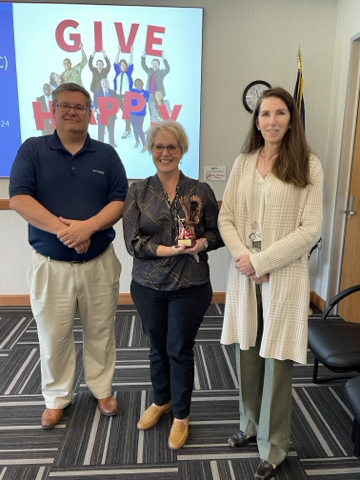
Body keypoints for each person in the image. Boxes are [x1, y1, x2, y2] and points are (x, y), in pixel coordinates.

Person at [9, 82, 128, 430]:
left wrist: (88, 228)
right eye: (66, 106)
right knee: (54, 334)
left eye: (80, 107)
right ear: (54, 109)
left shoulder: (106, 154)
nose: (73, 112)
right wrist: (68, 232)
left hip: (99, 264)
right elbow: (19, 198)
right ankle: (57, 397)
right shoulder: (32, 150)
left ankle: (102, 389)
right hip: (51, 267)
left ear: (91, 114)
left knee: (101, 331)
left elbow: (119, 200)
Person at [218, 87, 323, 480]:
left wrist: (263, 260)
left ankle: (274, 444)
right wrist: (246, 260)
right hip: (245, 274)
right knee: (247, 349)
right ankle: (248, 424)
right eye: (265, 114)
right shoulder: (243, 162)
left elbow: (310, 228)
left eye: (280, 113)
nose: (272, 120)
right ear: (256, 120)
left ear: (291, 119)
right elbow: (226, 217)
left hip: (285, 276)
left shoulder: (308, 165)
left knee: (276, 359)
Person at [123, 120, 224, 450]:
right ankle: (161, 400)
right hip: (148, 285)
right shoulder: (137, 191)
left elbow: (216, 234)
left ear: (182, 150)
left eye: (172, 147)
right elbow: (133, 243)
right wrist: (168, 249)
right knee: (156, 348)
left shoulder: (200, 190)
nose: (165, 152)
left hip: (190, 285)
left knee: (178, 350)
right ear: (150, 149)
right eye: (159, 146)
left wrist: (200, 245)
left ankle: (181, 415)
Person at [113, 45, 134, 139]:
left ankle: (127, 130)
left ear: (126, 66)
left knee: (126, 113)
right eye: (121, 65)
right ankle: (128, 128)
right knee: (116, 112)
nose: (122, 66)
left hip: (125, 96)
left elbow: (131, 62)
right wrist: (118, 51)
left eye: (124, 65)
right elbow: (115, 62)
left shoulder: (128, 72)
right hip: (117, 95)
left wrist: (131, 51)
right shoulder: (117, 72)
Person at [93, 77, 120, 147]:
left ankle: (112, 142)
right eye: (103, 83)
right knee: (101, 130)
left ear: (108, 84)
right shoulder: (97, 93)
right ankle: (100, 145)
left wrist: (118, 107)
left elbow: (118, 101)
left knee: (111, 130)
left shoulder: (113, 92)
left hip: (111, 115)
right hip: (101, 115)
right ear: (101, 85)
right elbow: (95, 103)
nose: (104, 85)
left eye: (106, 83)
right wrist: (97, 109)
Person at [129, 78, 149, 152]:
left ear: (142, 84)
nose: (138, 85)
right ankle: (137, 141)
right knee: (134, 127)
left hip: (140, 114)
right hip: (132, 113)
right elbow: (127, 99)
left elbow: (146, 101)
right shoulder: (132, 91)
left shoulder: (146, 92)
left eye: (140, 83)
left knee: (139, 128)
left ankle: (145, 144)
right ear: (135, 85)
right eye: (137, 84)